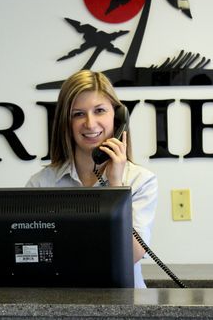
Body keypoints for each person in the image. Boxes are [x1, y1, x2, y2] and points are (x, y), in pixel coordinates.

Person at [26, 70, 158, 288]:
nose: (90, 123)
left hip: (126, 309)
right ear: (65, 122)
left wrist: (116, 186)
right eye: (78, 114)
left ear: (117, 118)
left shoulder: (140, 180)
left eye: (99, 111)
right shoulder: (41, 184)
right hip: (62, 304)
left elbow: (131, 255)